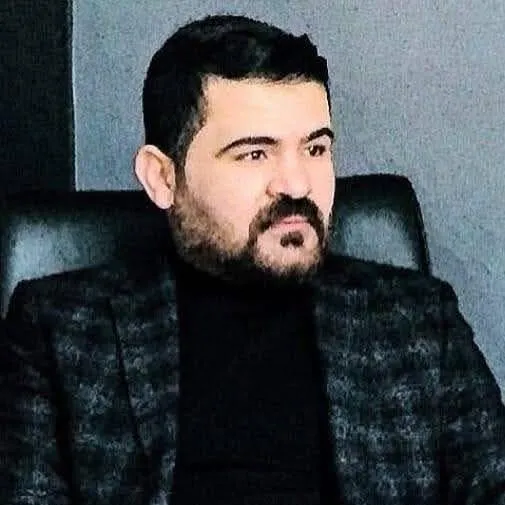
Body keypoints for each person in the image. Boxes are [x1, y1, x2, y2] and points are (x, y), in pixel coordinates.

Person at [1, 13, 505, 505]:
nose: (298, 184)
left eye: (315, 149)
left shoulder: (417, 320)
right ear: (163, 178)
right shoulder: (60, 330)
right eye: (255, 154)